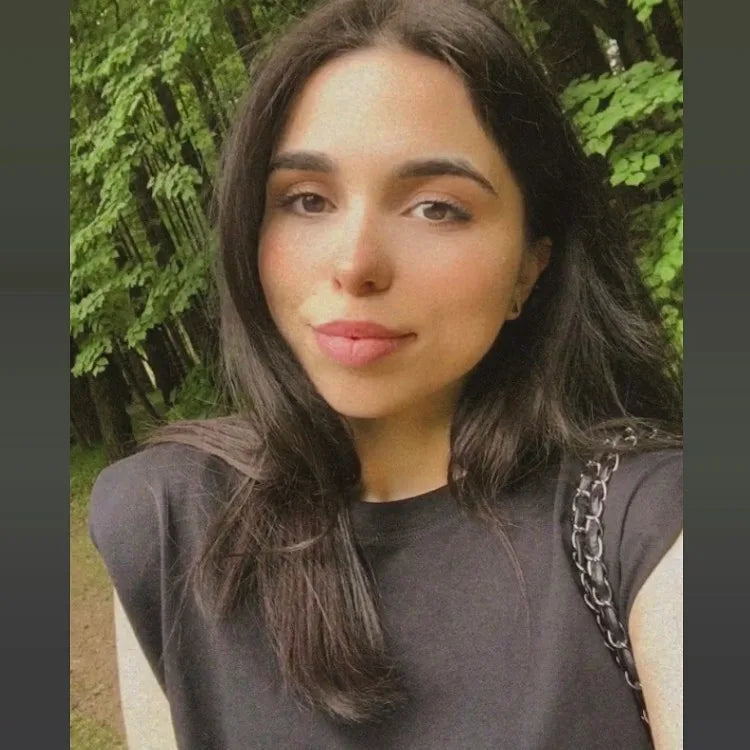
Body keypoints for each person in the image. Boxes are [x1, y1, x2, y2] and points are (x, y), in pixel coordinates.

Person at [89, 0, 683, 748]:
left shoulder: (646, 525)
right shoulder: (166, 524)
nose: (355, 263)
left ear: (530, 266)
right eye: (307, 200)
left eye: (437, 208)